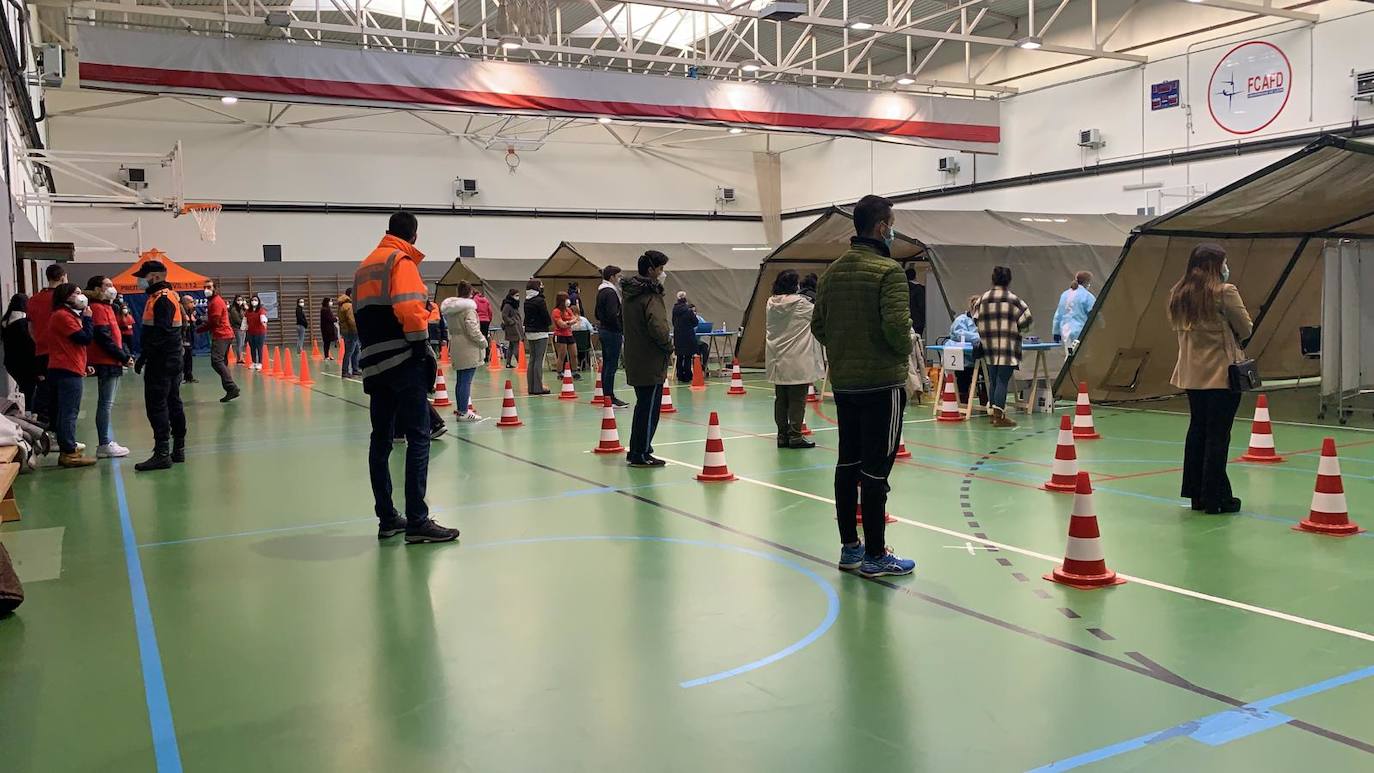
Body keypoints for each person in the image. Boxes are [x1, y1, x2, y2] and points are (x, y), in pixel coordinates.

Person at [810, 194, 916, 578]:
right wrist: (898, 355)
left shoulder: (832, 273)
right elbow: (897, 329)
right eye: (892, 223)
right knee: (875, 471)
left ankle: (850, 548)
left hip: (846, 384)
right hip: (881, 384)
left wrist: (846, 347)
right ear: (882, 227)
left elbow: (818, 327)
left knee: (847, 462)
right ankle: (875, 554)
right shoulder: (889, 272)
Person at [354, 211, 457, 544]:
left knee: (380, 440)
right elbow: (411, 310)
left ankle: (387, 518)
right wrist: (420, 346)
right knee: (418, 436)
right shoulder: (401, 262)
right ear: (413, 235)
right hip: (402, 359)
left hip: (373, 362)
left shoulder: (365, 266)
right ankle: (417, 520)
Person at [1169, 243, 1252, 515]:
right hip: (1221, 375)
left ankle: (1197, 495)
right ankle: (1215, 498)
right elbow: (1246, 327)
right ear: (1216, 266)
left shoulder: (1178, 294)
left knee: (1197, 433)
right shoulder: (1225, 292)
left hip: (1191, 375)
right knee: (1218, 437)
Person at [133, 260, 188, 472]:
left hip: (162, 361)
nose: (140, 281)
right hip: (171, 359)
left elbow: (162, 332)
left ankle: (162, 453)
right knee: (173, 402)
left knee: (157, 405)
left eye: (143, 276)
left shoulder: (162, 299)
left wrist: (144, 356)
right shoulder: (167, 296)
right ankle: (178, 449)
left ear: (154, 277)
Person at [622, 250, 672, 467]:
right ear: (651, 270)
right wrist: (669, 346)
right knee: (649, 408)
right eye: (660, 269)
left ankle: (639, 448)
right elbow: (658, 327)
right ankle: (640, 453)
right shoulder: (650, 296)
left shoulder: (630, 294)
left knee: (644, 405)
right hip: (650, 358)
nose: (662, 273)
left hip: (636, 356)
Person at [767, 269, 825, 449]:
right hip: (797, 359)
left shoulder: (770, 303)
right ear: (795, 285)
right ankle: (795, 436)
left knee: (781, 400)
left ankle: (782, 436)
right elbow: (820, 314)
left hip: (776, 358)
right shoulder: (801, 304)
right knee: (797, 401)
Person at [972, 266, 1032, 428]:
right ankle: (1000, 416)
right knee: (1002, 380)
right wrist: (1018, 330)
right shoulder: (1014, 300)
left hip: (989, 346)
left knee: (993, 380)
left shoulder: (982, 299)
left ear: (993, 279)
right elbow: (1026, 321)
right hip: (1008, 346)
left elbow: (975, 320)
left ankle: (992, 413)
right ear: (1009, 280)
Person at [46, 283, 96, 468]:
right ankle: (69, 452)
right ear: (66, 296)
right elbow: (84, 338)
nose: (80, 296)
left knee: (65, 411)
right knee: (69, 412)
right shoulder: (63, 316)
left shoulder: (66, 315)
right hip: (66, 369)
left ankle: (67, 447)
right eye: (76, 293)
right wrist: (89, 319)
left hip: (68, 366)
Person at [85, 276, 134, 458]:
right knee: (106, 403)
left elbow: (116, 335)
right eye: (107, 285)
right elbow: (104, 338)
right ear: (97, 288)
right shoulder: (98, 308)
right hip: (106, 361)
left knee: (106, 403)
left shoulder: (107, 307)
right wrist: (122, 357)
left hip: (112, 359)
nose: (112, 288)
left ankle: (104, 442)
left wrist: (125, 354)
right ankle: (104, 443)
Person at [441, 281, 486, 422]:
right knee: (466, 381)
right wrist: (483, 341)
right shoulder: (469, 310)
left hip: (456, 344)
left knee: (461, 380)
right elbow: (472, 329)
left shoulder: (452, 310)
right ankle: (464, 411)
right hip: (468, 346)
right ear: (470, 294)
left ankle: (461, 409)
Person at [29, 264, 67, 427]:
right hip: (61, 353)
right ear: (62, 277)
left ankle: (47, 428)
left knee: (45, 392)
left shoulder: (33, 300)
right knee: (62, 394)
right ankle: (60, 430)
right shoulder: (63, 299)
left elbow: (30, 328)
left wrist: (39, 340)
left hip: (41, 352)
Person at [197, 279, 239, 402]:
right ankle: (230, 389)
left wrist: (200, 329)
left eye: (209, 287)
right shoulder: (213, 302)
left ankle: (231, 387)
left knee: (216, 361)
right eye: (205, 287)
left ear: (215, 288)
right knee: (222, 363)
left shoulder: (215, 302)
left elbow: (215, 322)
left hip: (222, 335)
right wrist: (204, 321)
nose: (206, 290)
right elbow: (213, 319)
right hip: (225, 334)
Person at [595, 265, 629, 408]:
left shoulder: (601, 291)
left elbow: (597, 313)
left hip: (603, 330)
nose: (619, 278)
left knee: (607, 365)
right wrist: (620, 327)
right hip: (611, 332)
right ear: (612, 277)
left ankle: (607, 395)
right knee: (611, 365)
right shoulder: (610, 292)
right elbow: (612, 314)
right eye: (618, 276)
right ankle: (610, 397)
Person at [2, 294, 38, 411]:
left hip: (10, 362)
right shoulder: (23, 323)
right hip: (25, 362)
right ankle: (29, 414)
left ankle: (26, 413)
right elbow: (29, 345)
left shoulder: (5, 322)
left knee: (25, 388)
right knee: (30, 390)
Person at [949, 294, 985, 404]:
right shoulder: (961, 320)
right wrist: (981, 337)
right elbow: (959, 334)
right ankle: (962, 402)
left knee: (989, 373)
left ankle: (986, 401)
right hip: (965, 359)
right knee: (963, 375)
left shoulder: (984, 321)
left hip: (981, 358)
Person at [1052, 270, 1096, 350]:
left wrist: (1056, 333)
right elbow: (1094, 314)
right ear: (1087, 282)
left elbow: (1058, 315)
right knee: (1083, 358)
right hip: (1081, 333)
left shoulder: (1064, 295)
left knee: (1069, 356)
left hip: (1066, 332)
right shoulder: (1088, 296)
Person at [523, 279, 552, 395]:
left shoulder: (527, 300)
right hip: (540, 332)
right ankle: (538, 387)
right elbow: (545, 316)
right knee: (539, 361)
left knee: (532, 359)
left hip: (530, 332)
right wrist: (548, 323)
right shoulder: (540, 301)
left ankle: (531, 387)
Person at [671, 291, 699, 384]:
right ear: (685, 299)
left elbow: (673, 322)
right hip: (688, 336)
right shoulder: (688, 310)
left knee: (679, 356)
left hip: (678, 336)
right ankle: (687, 375)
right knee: (688, 356)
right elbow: (695, 322)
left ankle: (679, 375)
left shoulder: (674, 310)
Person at [551, 291, 579, 378]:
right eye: (566, 299)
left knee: (574, 354)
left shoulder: (568, 310)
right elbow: (561, 325)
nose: (568, 301)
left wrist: (568, 323)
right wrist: (570, 322)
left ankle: (574, 372)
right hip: (560, 335)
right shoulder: (556, 311)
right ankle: (560, 372)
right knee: (562, 355)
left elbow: (576, 319)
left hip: (569, 335)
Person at [338, 289, 360, 378]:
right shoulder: (349, 306)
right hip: (351, 332)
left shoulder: (342, 305)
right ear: (350, 295)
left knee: (355, 350)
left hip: (346, 331)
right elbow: (351, 320)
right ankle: (345, 371)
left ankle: (355, 369)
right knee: (349, 352)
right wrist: (357, 330)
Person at [500, 288, 523, 369]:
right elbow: (504, 315)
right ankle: (520, 363)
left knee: (511, 346)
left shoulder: (513, 304)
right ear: (511, 296)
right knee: (516, 346)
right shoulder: (508, 305)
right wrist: (512, 322)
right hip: (513, 328)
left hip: (514, 327)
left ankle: (508, 363)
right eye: (516, 295)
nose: (518, 297)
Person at [245, 294, 268, 369]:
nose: (254, 301)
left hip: (260, 333)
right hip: (251, 333)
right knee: (252, 348)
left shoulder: (261, 310)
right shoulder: (248, 311)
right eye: (252, 300)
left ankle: (260, 363)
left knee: (259, 348)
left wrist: (264, 322)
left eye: (255, 300)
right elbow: (245, 321)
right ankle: (254, 362)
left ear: (258, 302)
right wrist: (243, 328)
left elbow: (263, 317)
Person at [180, 294, 199, 384]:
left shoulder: (191, 312)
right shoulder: (180, 312)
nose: (193, 304)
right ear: (186, 303)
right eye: (191, 302)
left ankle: (189, 376)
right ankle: (181, 377)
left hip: (190, 337)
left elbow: (194, 324)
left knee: (189, 358)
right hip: (183, 338)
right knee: (182, 358)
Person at [905, 265, 927, 338]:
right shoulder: (919, 289)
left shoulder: (903, 288)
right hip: (918, 320)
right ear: (915, 276)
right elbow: (922, 306)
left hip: (906, 319)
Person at [473, 289, 493, 362]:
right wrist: (489, 319)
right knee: (485, 338)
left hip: (478, 321)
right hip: (486, 321)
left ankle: (479, 356)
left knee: (478, 338)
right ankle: (487, 356)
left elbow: (474, 311)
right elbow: (490, 311)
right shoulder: (486, 300)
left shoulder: (474, 300)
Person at [228, 294, 246, 363]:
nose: (240, 301)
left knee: (242, 343)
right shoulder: (233, 309)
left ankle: (240, 357)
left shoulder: (242, 308)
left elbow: (246, 315)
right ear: (235, 301)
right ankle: (239, 359)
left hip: (243, 327)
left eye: (241, 300)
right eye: (238, 300)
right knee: (239, 343)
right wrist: (245, 323)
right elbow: (237, 320)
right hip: (237, 328)